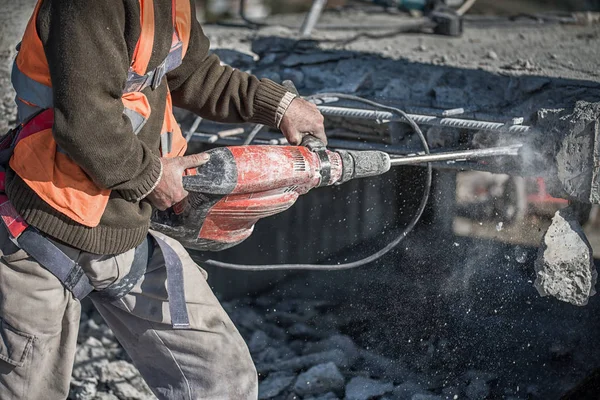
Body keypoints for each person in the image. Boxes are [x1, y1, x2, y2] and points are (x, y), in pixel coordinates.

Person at [0, 0, 326, 399]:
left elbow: (196, 73)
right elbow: (87, 123)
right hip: (45, 223)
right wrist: (152, 177)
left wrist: (278, 105)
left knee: (223, 381)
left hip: (128, 225)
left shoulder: (169, 4)